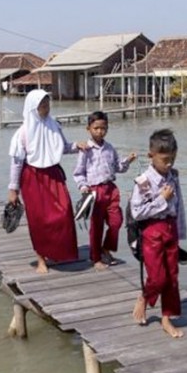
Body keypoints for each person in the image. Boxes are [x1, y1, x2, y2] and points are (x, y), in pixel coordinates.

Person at [8, 89, 87, 274]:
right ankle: (41, 258)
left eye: (47, 104)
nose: (45, 108)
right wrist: (13, 189)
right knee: (39, 219)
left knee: (64, 212)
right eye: (42, 105)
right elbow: (16, 162)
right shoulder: (22, 133)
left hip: (53, 175)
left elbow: (62, 147)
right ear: (33, 107)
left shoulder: (54, 125)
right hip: (32, 177)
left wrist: (78, 146)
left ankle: (57, 251)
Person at [129, 128, 187, 338]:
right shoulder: (144, 181)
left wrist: (180, 233)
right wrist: (161, 199)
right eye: (164, 159)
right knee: (158, 277)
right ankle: (145, 296)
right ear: (151, 156)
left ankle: (166, 318)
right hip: (152, 232)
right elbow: (137, 212)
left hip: (170, 230)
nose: (169, 164)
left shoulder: (173, 176)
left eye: (172, 158)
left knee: (172, 276)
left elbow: (179, 206)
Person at [72, 111, 137, 270]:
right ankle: (96, 258)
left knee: (117, 221)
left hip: (111, 189)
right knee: (97, 226)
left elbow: (118, 167)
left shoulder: (110, 148)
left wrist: (128, 160)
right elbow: (79, 173)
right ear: (88, 129)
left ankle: (106, 248)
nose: (100, 131)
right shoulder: (85, 150)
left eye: (103, 128)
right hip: (94, 191)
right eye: (96, 128)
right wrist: (83, 187)